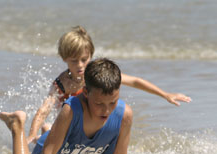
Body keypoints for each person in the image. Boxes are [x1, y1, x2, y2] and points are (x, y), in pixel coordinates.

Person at [0, 58, 132, 154]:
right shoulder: (71, 110)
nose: (106, 110)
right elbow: (48, 152)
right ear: (86, 92)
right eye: (99, 104)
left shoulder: (124, 116)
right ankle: (17, 127)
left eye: (112, 102)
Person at [27, 26, 191, 144]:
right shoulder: (61, 83)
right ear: (64, 59)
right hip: (70, 124)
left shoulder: (97, 75)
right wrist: (31, 134)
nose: (80, 65)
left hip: (93, 124)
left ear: (91, 55)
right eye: (74, 61)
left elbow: (134, 81)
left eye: (84, 59)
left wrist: (165, 94)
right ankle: (43, 140)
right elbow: (44, 110)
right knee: (47, 127)